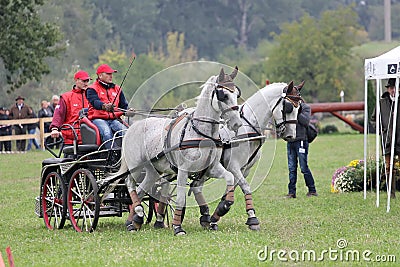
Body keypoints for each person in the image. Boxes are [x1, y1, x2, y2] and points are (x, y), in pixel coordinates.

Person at [86, 64, 129, 149]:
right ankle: (113, 155)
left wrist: (128, 111)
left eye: (111, 74)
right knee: (106, 132)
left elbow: (124, 106)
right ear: (100, 75)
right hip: (98, 118)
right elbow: (95, 102)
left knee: (126, 132)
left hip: (113, 119)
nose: (111, 76)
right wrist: (104, 106)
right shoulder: (92, 89)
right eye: (108, 74)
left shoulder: (117, 89)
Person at [371, 78, 400, 198]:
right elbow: (373, 120)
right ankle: (391, 194)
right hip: (387, 140)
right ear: (388, 89)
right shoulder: (381, 103)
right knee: (389, 167)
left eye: (395, 87)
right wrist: (381, 131)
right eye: (391, 88)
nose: (393, 90)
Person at [285, 101, 318, 198]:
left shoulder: (305, 108)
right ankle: (291, 192)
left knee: (303, 167)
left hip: (301, 141)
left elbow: (305, 122)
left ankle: (312, 190)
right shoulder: (288, 107)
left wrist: (297, 111)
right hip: (290, 141)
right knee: (291, 168)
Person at [49, 70, 91, 146]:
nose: (86, 83)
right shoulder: (66, 97)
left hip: (90, 137)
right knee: (69, 158)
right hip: (70, 139)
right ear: (76, 80)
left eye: (87, 81)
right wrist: (54, 128)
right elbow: (59, 113)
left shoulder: (92, 96)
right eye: (83, 81)